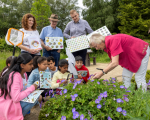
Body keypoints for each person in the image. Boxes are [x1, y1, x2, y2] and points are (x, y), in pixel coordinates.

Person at [0, 53, 39, 120]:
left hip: (13, 101)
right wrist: (32, 88)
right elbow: (16, 98)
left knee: (35, 99)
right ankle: (15, 117)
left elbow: (22, 90)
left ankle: (19, 115)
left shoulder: (24, 74)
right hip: (8, 104)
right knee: (33, 100)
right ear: (22, 65)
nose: (32, 66)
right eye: (30, 64)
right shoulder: (15, 76)